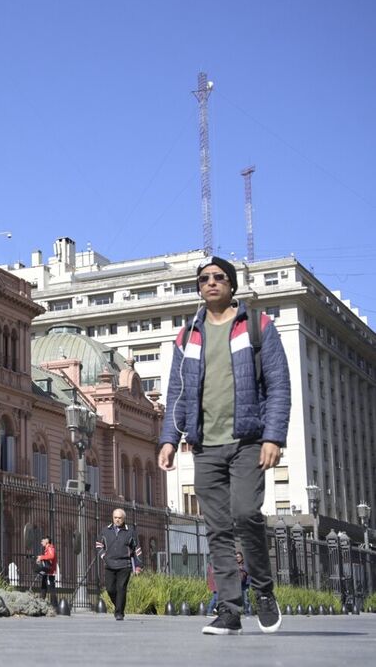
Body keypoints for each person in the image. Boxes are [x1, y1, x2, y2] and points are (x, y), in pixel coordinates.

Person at [158, 256, 290, 636]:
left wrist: (273, 437)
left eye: (218, 278)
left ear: (231, 285)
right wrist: (170, 439)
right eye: (204, 279)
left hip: (248, 441)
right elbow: (177, 394)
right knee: (217, 528)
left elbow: (279, 385)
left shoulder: (257, 327)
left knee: (247, 513)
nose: (211, 283)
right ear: (199, 287)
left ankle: (263, 592)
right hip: (205, 446)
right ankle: (230, 609)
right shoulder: (188, 335)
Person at [95, 508, 142, 621]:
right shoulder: (105, 530)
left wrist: (138, 566)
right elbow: (98, 545)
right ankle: (119, 606)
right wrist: (104, 556)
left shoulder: (130, 532)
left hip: (124, 565)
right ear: (113, 518)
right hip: (109, 564)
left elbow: (137, 549)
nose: (117, 520)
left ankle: (119, 613)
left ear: (124, 519)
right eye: (115, 518)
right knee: (110, 589)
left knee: (121, 588)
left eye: (120, 518)